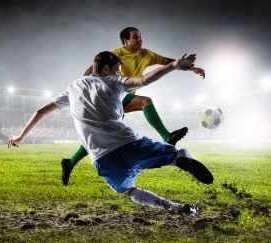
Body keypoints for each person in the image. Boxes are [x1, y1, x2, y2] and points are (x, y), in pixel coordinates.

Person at [8, 51, 213, 216]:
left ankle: (176, 209)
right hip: (128, 143)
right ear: (106, 69)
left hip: (101, 158)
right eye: (117, 69)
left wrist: (20, 137)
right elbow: (143, 80)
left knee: (128, 190)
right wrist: (174, 65)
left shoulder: (72, 88)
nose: (119, 73)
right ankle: (182, 161)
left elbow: (40, 112)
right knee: (178, 153)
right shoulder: (113, 82)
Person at [62, 27, 206, 186]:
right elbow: (90, 73)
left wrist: (191, 68)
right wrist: (87, 93)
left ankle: (70, 163)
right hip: (111, 97)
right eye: (135, 37)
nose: (140, 39)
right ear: (126, 41)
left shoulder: (146, 54)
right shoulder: (115, 55)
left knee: (100, 136)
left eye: (140, 36)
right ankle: (167, 136)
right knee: (145, 102)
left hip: (121, 99)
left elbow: (168, 62)